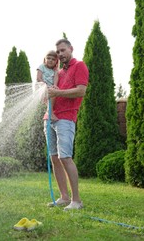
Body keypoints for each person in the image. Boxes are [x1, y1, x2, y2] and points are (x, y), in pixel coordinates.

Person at [44, 39, 89, 210]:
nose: (60, 54)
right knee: (54, 158)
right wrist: (47, 96)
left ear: (71, 49)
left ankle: (76, 200)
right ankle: (64, 197)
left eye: (63, 50)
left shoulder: (80, 66)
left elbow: (81, 90)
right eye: (58, 52)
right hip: (50, 119)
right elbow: (53, 95)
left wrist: (58, 92)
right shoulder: (59, 73)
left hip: (66, 118)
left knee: (65, 157)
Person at [37, 50, 59, 121]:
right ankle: (50, 112)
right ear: (45, 59)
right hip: (41, 87)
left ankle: (49, 111)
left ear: (56, 62)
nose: (50, 60)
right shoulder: (42, 66)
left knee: (54, 91)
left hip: (49, 88)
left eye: (53, 59)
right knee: (51, 92)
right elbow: (38, 78)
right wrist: (44, 84)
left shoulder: (55, 70)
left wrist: (55, 85)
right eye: (48, 58)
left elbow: (56, 77)